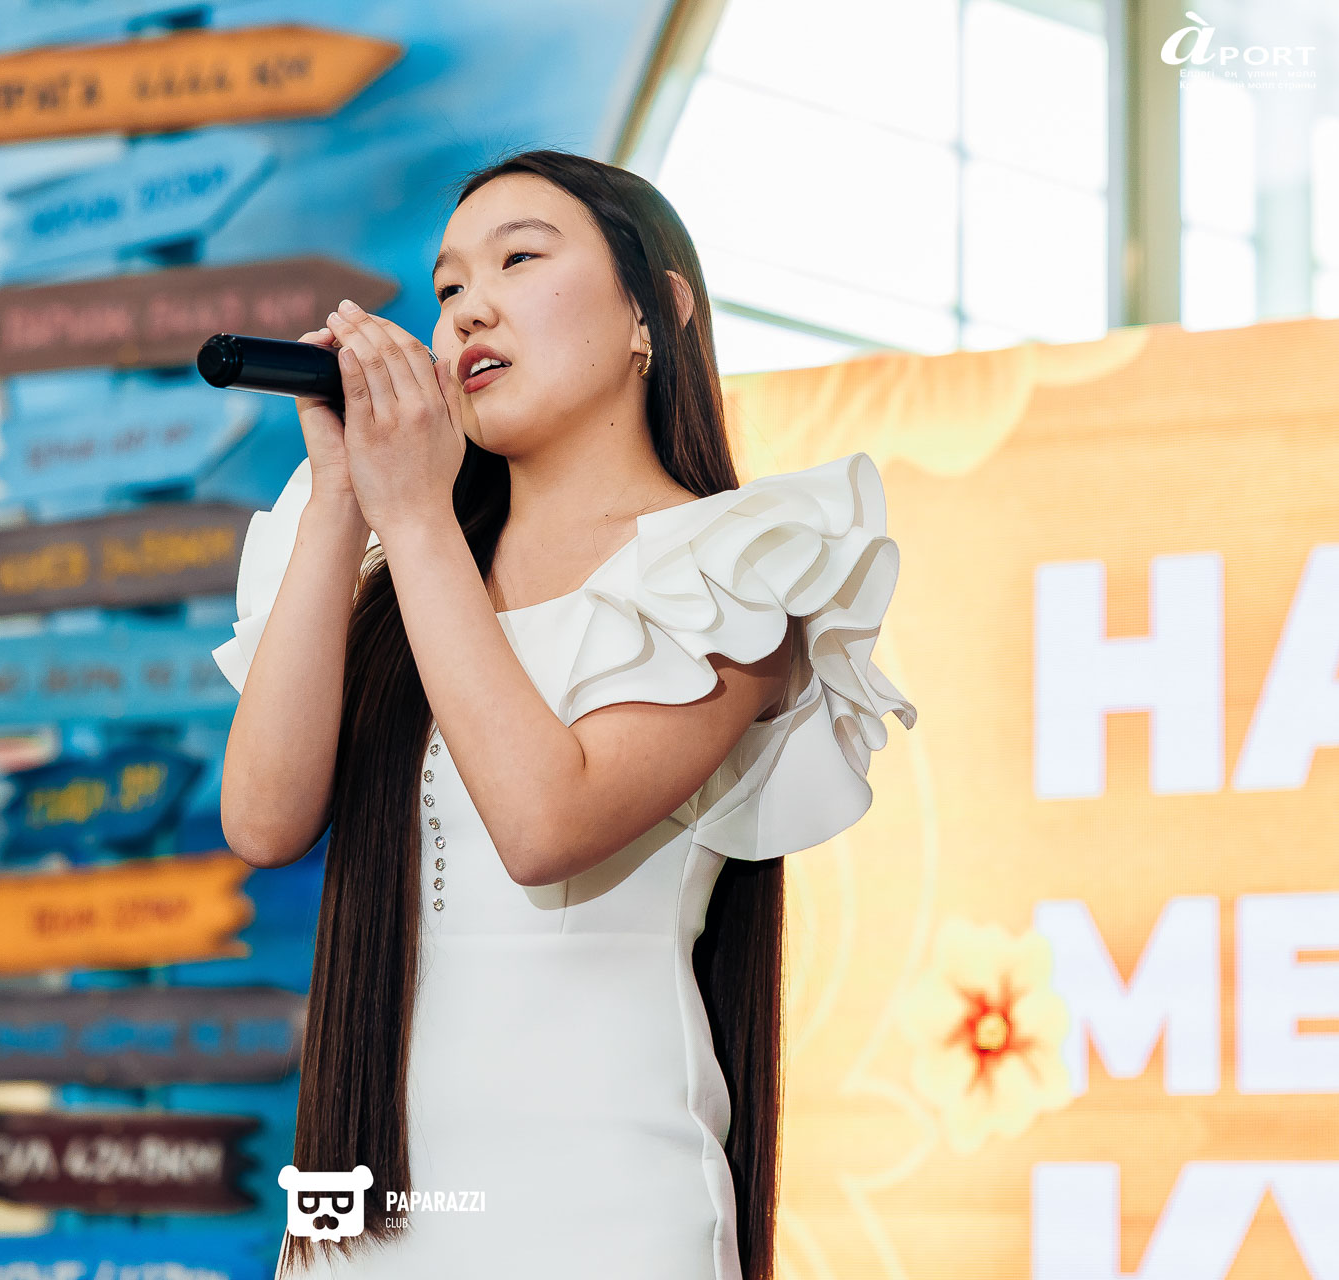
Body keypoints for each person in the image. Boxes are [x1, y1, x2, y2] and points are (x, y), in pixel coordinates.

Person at [210, 149, 917, 1280]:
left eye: (520, 260)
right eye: (447, 287)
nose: (467, 309)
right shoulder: (391, 560)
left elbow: (545, 826)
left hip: (609, 1210)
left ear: (654, 311)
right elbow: (262, 818)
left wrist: (416, 515)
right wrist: (347, 495)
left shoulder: (737, 566)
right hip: (368, 1217)